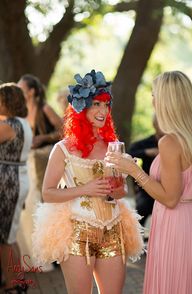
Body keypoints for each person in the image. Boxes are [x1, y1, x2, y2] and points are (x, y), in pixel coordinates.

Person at [32, 70, 144, 294]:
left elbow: (120, 193)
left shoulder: (114, 145)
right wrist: (86, 188)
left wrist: (121, 182)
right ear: (82, 107)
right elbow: (48, 193)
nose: (103, 111)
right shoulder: (63, 148)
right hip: (76, 231)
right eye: (96, 104)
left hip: (113, 229)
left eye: (106, 105)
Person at [106, 70, 192, 294]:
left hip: (175, 224)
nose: (152, 100)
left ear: (165, 100)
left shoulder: (170, 142)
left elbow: (170, 198)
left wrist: (134, 170)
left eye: (154, 95)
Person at [0, 83, 32, 293]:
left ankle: (13, 284)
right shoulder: (22, 122)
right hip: (16, 180)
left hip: (8, 183)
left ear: (7, 102)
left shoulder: (9, 124)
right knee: (9, 235)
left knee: (4, 237)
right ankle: (17, 280)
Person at [17, 74, 63, 191]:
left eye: (20, 89)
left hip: (46, 158)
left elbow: (64, 130)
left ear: (31, 92)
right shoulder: (21, 112)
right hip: (28, 161)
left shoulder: (45, 109)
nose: (17, 92)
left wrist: (44, 138)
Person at [128, 115, 163, 227]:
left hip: (167, 187)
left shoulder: (174, 143)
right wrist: (146, 152)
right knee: (140, 211)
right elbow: (129, 152)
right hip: (147, 189)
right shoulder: (148, 142)